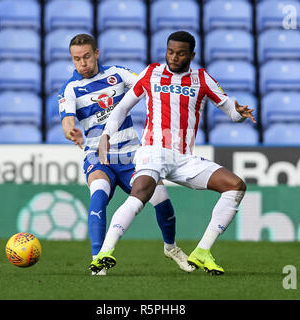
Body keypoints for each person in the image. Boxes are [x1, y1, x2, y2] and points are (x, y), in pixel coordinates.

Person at [90, 30, 256, 275]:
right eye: (170, 52)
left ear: (192, 55)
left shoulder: (202, 79)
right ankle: (104, 253)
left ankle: (202, 251)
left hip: (184, 158)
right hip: (153, 150)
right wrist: (106, 134)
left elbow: (231, 111)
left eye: (181, 54)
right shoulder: (151, 73)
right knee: (141, 193)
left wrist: (240, 114)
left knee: (236, 186)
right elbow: (123, 107)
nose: (174, 58)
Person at [58, 34, 193, 275]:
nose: (83, 63)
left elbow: (150, 85)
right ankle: (98, 261)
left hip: (133, 156)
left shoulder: (118, 74)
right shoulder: (70, 88)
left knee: (161, 199)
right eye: (77, 59)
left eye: (87, 57)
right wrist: (71, 131)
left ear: (96, 54)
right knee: (98, 193)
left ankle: (171, 248)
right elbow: (67, 119)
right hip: (98, 156)